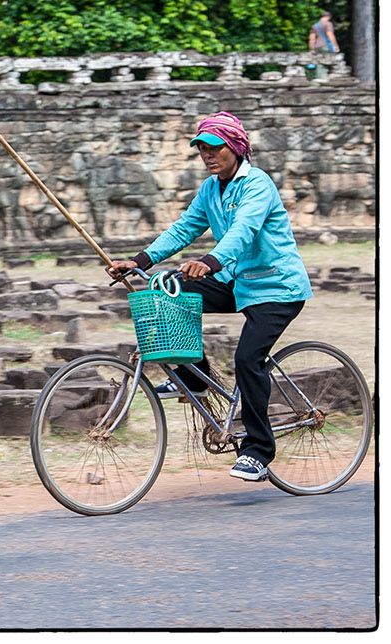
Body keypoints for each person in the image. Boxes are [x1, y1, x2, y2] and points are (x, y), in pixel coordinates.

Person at [107, 112, 312, 482]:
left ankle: (258, 451)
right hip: (238, 283)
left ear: (235, 147)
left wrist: (211, 260)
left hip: (276, 288)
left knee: (248, 358)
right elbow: (184, 228)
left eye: (215, 147)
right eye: (202, 147)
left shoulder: (257, 185)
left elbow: (244, 230)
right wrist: (138, 261)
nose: (207, 154)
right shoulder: (211, 188)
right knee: (167, 288)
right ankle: (196, 375)